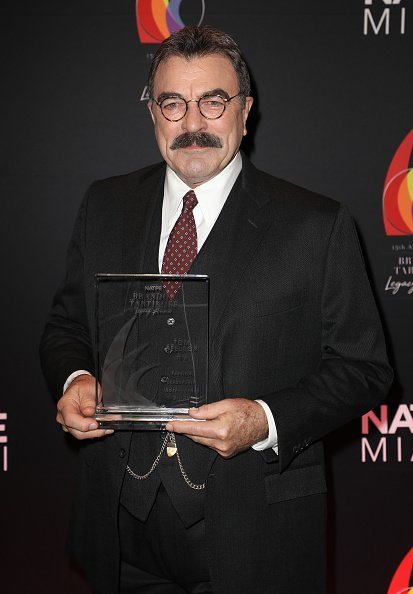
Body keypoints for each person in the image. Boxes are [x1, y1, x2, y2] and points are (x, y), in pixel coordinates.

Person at [40, 25, 392, 594]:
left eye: (213, 101)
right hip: (122, 534)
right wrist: (76, 377)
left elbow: (366, 369)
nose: (192, 124)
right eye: (172, 103)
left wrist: (263, 420)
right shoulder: (104, 205)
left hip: (256, 538)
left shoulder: (316, 226)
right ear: (152, 111)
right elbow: (65, 326)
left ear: (245, 111)